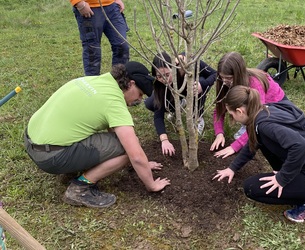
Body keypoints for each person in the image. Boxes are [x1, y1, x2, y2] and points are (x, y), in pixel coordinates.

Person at [24, 61, 170, 208]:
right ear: (131, 84)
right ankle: (80, 187)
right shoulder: (113, 102)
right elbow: (136, 155)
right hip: (51, 157)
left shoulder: (94, 81)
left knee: (122, 144)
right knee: (128, 148)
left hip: (31, 141)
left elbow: (115, 132)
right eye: (140, 94)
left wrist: (142, 165)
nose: (139, 99)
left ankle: (72, 163)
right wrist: (151, 184)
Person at [213, 86, 305, 223]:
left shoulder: (265, 125)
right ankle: (299, 187)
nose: (233, 118)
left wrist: (282, 178)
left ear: (240, 111)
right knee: (264, 143)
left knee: (251, 188)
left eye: (232, 115)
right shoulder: (262, 110)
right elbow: (253, 143)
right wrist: (232, 168)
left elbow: (300, 146)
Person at [210, 52, 286, 159]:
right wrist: (219, 133)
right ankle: (246, 125)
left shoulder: (255, 85)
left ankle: (246, 127)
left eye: (229, 78)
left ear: (238, 75)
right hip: (257, 108)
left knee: (263, 133)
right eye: (222, 77)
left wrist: (235, 146)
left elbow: (258, 119)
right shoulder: (225, 83)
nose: (225, 81)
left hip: (275, 107)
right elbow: (219, 110)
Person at [145, 52, 217, 156]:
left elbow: (215, 74)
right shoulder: (160, 83)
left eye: (167, 74)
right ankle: (177, 106)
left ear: (173, 68)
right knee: (150, 103)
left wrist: (203, 84)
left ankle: (197, 117)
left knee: (195, 87)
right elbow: (158, 114)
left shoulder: (188, 64)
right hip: (175, 90)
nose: (164, 79)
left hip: (195, 87)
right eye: (159, 76)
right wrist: (164, 139)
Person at [70, 0, 130, 76]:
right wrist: (79, 3)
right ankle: (92, 84)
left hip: (112, 7)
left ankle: (119, 82)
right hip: (89, 8)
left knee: (122, 45)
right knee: (92, 51)